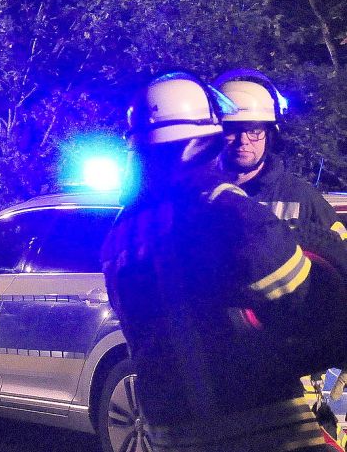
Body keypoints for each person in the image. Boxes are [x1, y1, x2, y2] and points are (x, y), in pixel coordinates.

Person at [101, 71, 342, 451]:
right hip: (264, 424)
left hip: (172, 433)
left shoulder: (122, 230)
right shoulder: (225, 209)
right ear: (208, 140)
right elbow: (311, 303)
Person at [217, 69, 346, 242]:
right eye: (232, 130)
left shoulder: (301, 197)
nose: (243, 140)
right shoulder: (198, 192)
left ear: (270, 136)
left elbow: (340, 254)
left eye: (254, 131)